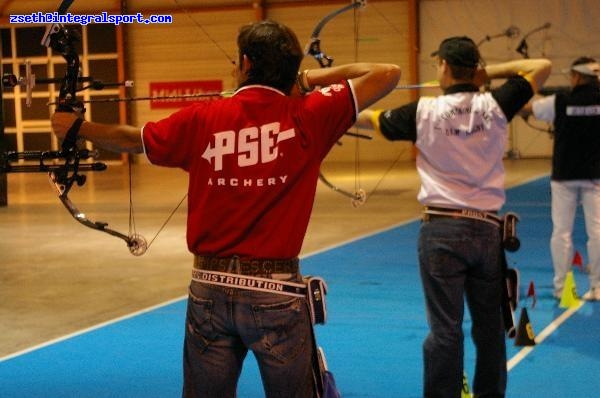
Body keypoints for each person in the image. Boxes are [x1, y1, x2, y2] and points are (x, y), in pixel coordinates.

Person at [51, 20, 400, 397]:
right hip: (276, 290)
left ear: (246, 64)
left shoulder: (205, 117)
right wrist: (305, 79)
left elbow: (132, 140)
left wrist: (77, 128)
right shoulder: (311, 113)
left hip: (209, 288)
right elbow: (386, 74)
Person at [355, 36, 551, 397]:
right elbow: (542, 67)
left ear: (444, 66)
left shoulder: (423, 111)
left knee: (445, 330)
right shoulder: (497, 103)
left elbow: (369, 118)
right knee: (489, 328)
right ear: (474, 69)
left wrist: (329, 107)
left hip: (442, 230)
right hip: (486, 231)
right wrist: (486, 73)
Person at [523, 57, 600, 301]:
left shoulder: (559, 101)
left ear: (577, 77)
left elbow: (527, 109)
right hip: (595, 174)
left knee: (561, 232)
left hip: (564, 175)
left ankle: (562, 289)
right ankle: (598, 287)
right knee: (597, 231)